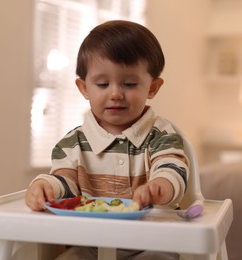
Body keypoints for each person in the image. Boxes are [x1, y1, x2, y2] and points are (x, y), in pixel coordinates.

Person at [25, 20, 189, 260]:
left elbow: (172, 168)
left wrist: (161, 186)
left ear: (152, 88)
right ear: (84, 88)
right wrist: (46, 186)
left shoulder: (161, 135)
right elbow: (66, 183)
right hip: (90, 243)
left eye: (130, 84)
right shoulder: (73, 142)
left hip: (152, 241)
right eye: (102, 84)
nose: (115, 93)